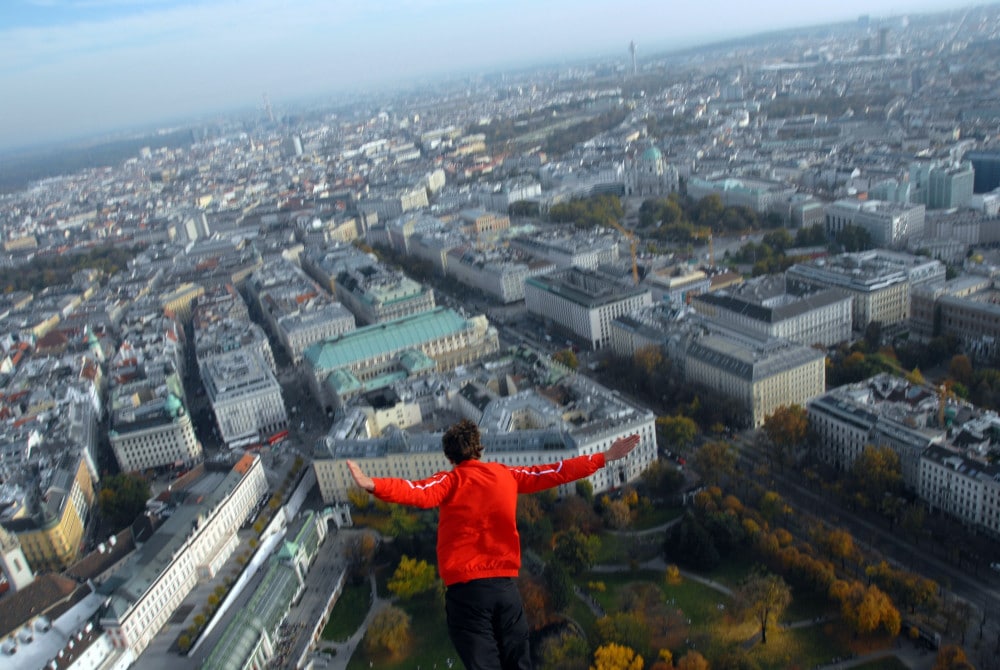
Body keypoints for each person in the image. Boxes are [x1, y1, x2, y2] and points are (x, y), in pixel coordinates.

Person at [346, 419, 640, 670]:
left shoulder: (449, 482)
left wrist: (373, 484)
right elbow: (554, 471)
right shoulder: (505, 475)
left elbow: (415, 491)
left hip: (467, 593)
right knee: (520, 663)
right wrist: (603, 457)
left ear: (449, 457)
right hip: (505, 591)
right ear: (479, 448)